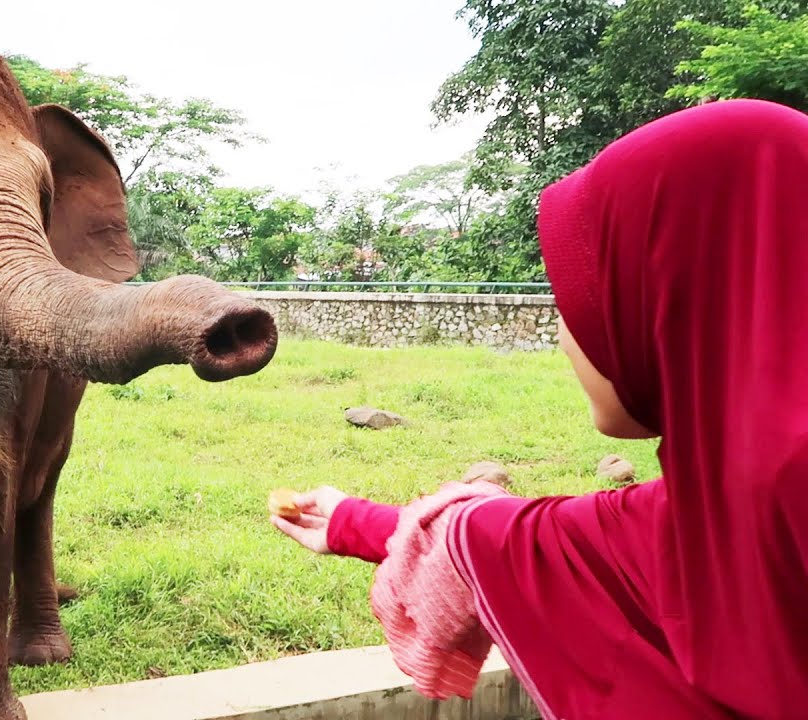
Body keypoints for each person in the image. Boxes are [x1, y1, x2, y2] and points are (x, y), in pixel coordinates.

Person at [271, 98, 808, 720]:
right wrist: (351, 522)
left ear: (676, 299)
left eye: (579, 296)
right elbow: (521, 545)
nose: (563, 331)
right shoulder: (729, 510)